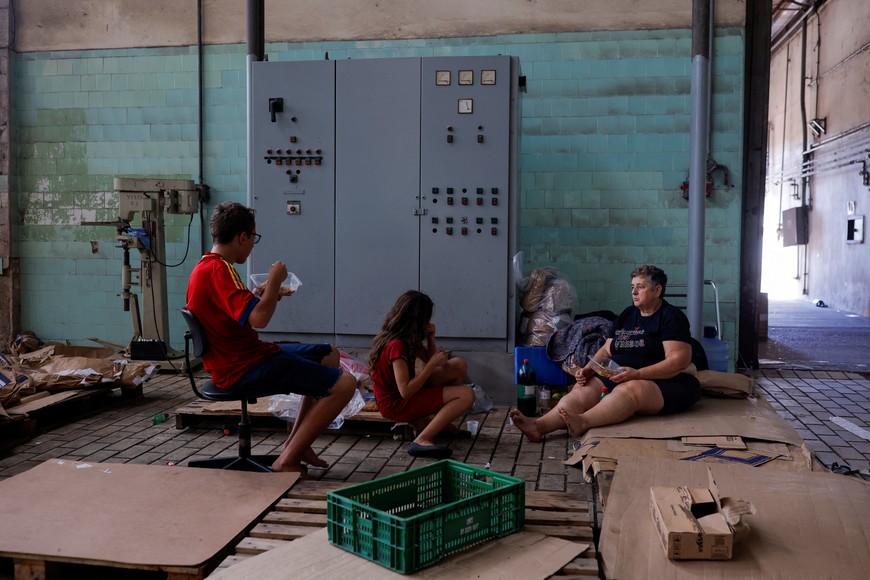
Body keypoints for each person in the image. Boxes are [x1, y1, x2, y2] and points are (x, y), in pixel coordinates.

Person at [186, 201, 356, 476]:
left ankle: (297, 443)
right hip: (242, 367)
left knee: (330, 356)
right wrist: (276, 280)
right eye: (253, 238)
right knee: (346, 384)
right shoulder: (220, 270)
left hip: (244, 355)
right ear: (243, 237)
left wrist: (262, 295)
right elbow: (260, 320)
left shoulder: (207, 267)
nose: (253, 244)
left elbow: (242, 312)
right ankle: (285, 461)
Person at [510, 265, 701, 441]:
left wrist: (638, 374)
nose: (634, 292)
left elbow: (678, 361)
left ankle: (583, 422)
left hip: (667, 382)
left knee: (630, 389)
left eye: (640, 287)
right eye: (632, 286)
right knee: (583, 391)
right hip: (623, 375)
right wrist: (589, 368)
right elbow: (606, 350)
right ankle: (538, 426)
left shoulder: (671, 317)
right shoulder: (628, 314)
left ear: (657, 290)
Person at [368, 290, 474, 459]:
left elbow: (432, 361)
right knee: (466, 394)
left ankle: (440, 423)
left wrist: (430, 338)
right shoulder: (396, 345)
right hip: (396, 404)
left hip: (405, 395)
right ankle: (422, 439)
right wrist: (431, 365)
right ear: (417, 320)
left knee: (458, 365)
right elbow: (406, 391)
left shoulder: (406, 338)